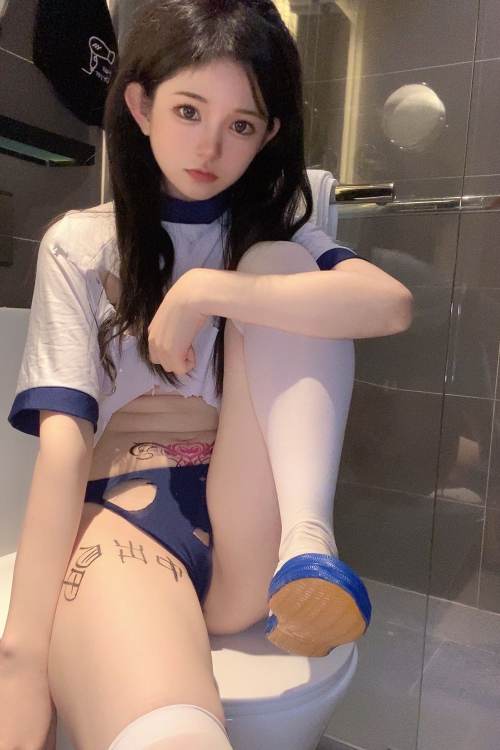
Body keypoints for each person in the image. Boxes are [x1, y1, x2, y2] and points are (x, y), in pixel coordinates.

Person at [0, 1, 414, 748]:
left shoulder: (275, 233)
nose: (210, 146)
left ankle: (309, 541)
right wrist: (21, 660)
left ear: (269, 135)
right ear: (141, 105)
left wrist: (206, 292)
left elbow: (389, 306)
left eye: (242, 125)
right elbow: (64, 448)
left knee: (280, 265)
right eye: (189, 111)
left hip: (249, 522)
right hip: (133, 516)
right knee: (173, 734)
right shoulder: (82, 244)